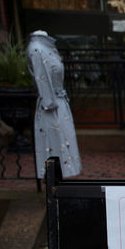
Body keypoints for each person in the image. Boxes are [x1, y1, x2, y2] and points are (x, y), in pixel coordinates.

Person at [27, 30, 82, 179]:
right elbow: (42, 79)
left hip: (60, 103)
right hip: (50, 107)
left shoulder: (47, 47)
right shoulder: (36, 49)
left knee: (64, 142)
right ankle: (53, 183)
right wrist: (49, 102)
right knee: (53, 143)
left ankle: (61, 178)